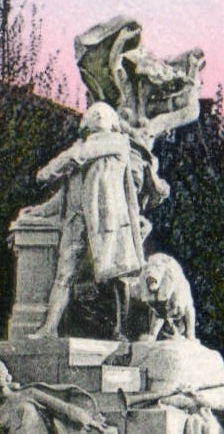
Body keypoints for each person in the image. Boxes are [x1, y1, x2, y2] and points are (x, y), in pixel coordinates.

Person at [25, 101, 147, 339]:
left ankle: (121, 330)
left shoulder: (116, 144)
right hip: (77, 220)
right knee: (64, 276)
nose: (98, 116)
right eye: (94, 114)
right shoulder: (80, 152)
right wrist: (40, 211)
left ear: (113, 123)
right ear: (86, 123)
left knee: (118, 276)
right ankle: (49, 327)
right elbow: (67, 193)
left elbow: (78, 156)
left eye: (103, 114)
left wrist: (47, 172)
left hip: (108, 223)